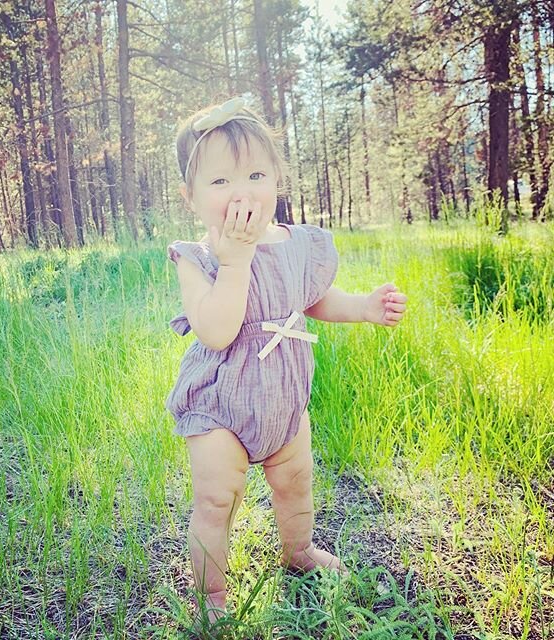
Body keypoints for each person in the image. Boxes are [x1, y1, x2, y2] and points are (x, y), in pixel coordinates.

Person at [165, 96, 408, 621]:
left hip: (285, 401)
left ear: (276, 179)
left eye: (255, 173)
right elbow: (216, 330)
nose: (242, 192)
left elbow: (315, 298)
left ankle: (298, 552)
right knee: (215, 501)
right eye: (220, 181)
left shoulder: (298, 244)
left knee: (296, 482)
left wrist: (364, 307)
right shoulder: (196, 258)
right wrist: (235, 261)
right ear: (191, 197)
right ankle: (211, 596)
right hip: (219, 407)